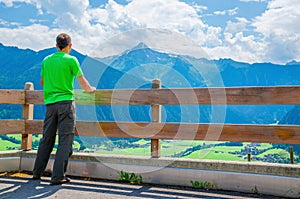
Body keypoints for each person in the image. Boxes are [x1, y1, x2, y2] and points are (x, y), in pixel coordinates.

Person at [32, 33, 96, 185]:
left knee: (46, 139)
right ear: (70, 46)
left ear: (56, 46)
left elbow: (42, 82)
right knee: (65, 141)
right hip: (66, 104)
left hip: (50, 105)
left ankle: (37, 173)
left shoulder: (46, 60)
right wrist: (91, 89)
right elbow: (83, 83)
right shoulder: (71, 60)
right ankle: (58, 176)